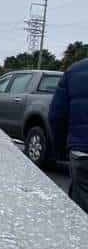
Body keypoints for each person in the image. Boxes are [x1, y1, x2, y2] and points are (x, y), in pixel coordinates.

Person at [49, 58, 88, 212]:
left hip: (82, 153)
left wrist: (59, 150)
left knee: (80, 215)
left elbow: (56, 116)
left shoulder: (74, 70)